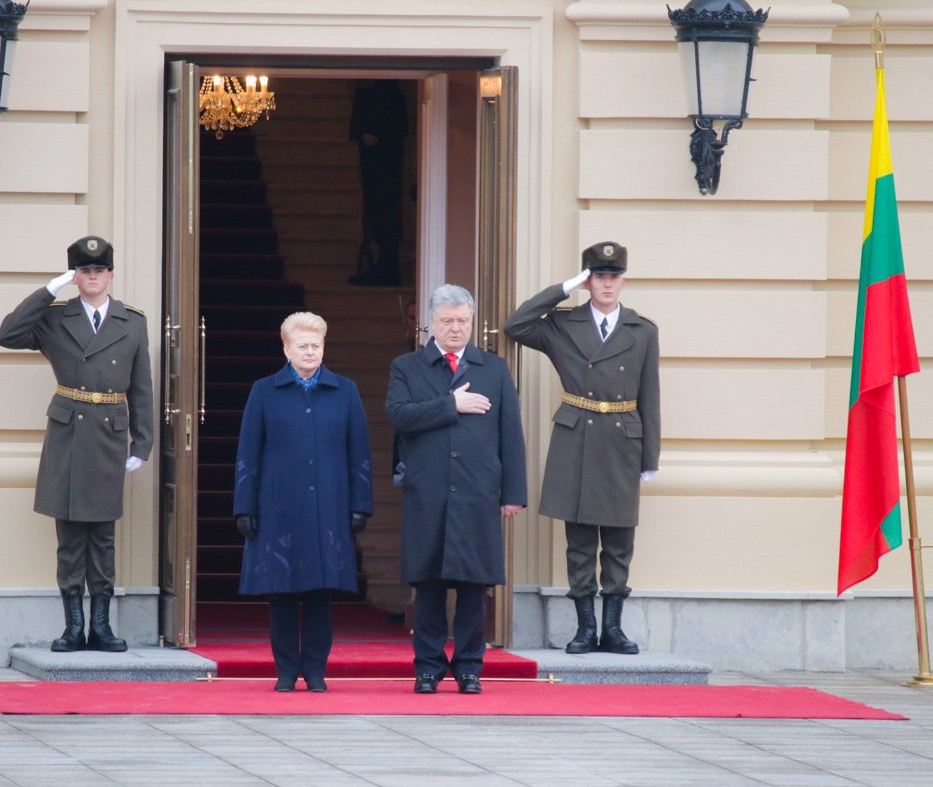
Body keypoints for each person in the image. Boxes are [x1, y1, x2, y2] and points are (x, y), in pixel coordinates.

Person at [0, 235, 153, 653]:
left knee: (102, 535)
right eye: (84, 271)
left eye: (99, 270)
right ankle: (73, 627)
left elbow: (141, 387)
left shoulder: (132, 321)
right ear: (75, 276)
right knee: (69, 537)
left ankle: (100, 626)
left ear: (111, 275)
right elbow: (7, 335)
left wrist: (143, 443)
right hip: (69, 433)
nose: (93, 277)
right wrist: (48, 291)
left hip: (109, 434)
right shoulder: (54, 317)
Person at [504, 241, 660, 656]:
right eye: (598, 277)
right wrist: (563, 288)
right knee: (579, 544)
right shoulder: (563, 324)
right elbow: (516, 325)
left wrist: (650, 457)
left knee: (619, 543)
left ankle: (613, 629)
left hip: (623, 440)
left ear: (623, 281)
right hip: (578, 437)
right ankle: (585, 628)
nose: (607, 284)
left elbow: (650, 396)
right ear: (588, 282)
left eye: (613, 277)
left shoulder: (642, 330)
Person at [386, 285, 526, 694]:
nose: (455, 328)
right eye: (447, 320)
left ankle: (469, 669)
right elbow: (398, 416)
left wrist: (512, 493)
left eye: (463, 321)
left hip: (477, 492)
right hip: (428, 492)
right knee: (428, 585)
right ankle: (428, 669)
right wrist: (452, 405)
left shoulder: (493, 368)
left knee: (473, 585)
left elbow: (510, 434)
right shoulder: (407, 366)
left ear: (472, 322)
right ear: (431, 322)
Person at [233, 312, 373, 692]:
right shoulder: (264, 390)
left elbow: (359, 453)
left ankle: (314, 671)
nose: (310, 352)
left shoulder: (345, 391)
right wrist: (244, 506)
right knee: (280, 591)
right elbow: (248, 453)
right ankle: (284, 671)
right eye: (302, 345)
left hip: (329, 507)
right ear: (287, 349)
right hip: (277, 507)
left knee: (320, 594)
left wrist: (360, 504)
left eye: (316, 345)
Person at [348, 79, 408, 286]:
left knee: (384, 210)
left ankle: (387, 265)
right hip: (381, 170)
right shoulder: (386, 98)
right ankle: (384, 264)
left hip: (384, 170)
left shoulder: (387, 99)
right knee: (378, 210)